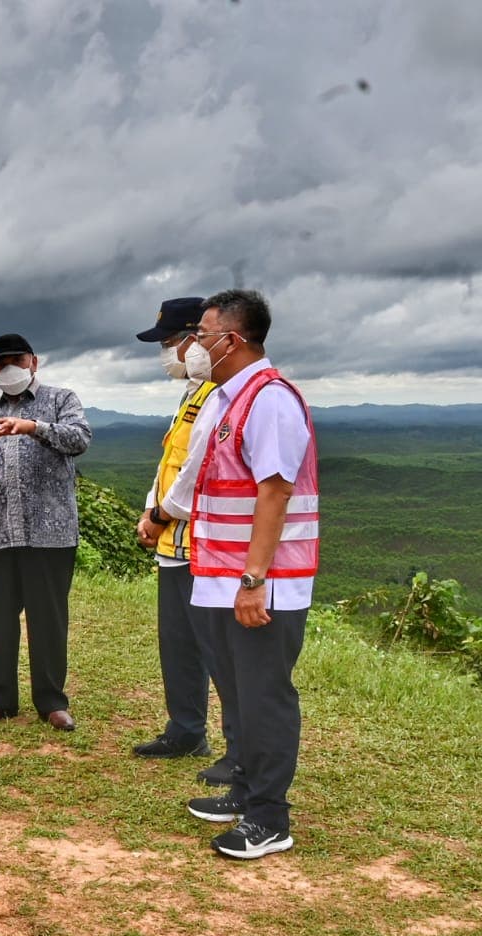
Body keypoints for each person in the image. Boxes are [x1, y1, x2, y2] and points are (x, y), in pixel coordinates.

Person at [167, 289, 319, 860]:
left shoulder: (269, 399)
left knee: (263, 696)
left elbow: (275, 492)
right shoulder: (231, 399)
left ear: (231, 340)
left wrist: (254, 581)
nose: (194, 346)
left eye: (202, 336)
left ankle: (270, 818)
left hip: (258, 583)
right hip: (220, 578)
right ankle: (246, 789)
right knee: (237, 693)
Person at [0, 334, 92, 731]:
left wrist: (33, 427)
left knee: (48, 619)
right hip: (0, 531)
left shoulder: (61, 400)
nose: (8, 369)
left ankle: (51, 702)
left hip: (51, 533)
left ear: (34, 361)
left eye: (15, 360)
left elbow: (80, 438)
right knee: (0, 619)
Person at [131, 297, 234, 777]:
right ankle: (186, 730)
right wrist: (151, 508)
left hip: (204, 545)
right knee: (178, 643)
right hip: (175, 544)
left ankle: (239, 750)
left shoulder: (220, 394)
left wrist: (159, 514)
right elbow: (170, 461)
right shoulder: (192, 394)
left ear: (198, 339)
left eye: (172, 341)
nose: (167, 353)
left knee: (219, 651)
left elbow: (199, 471)